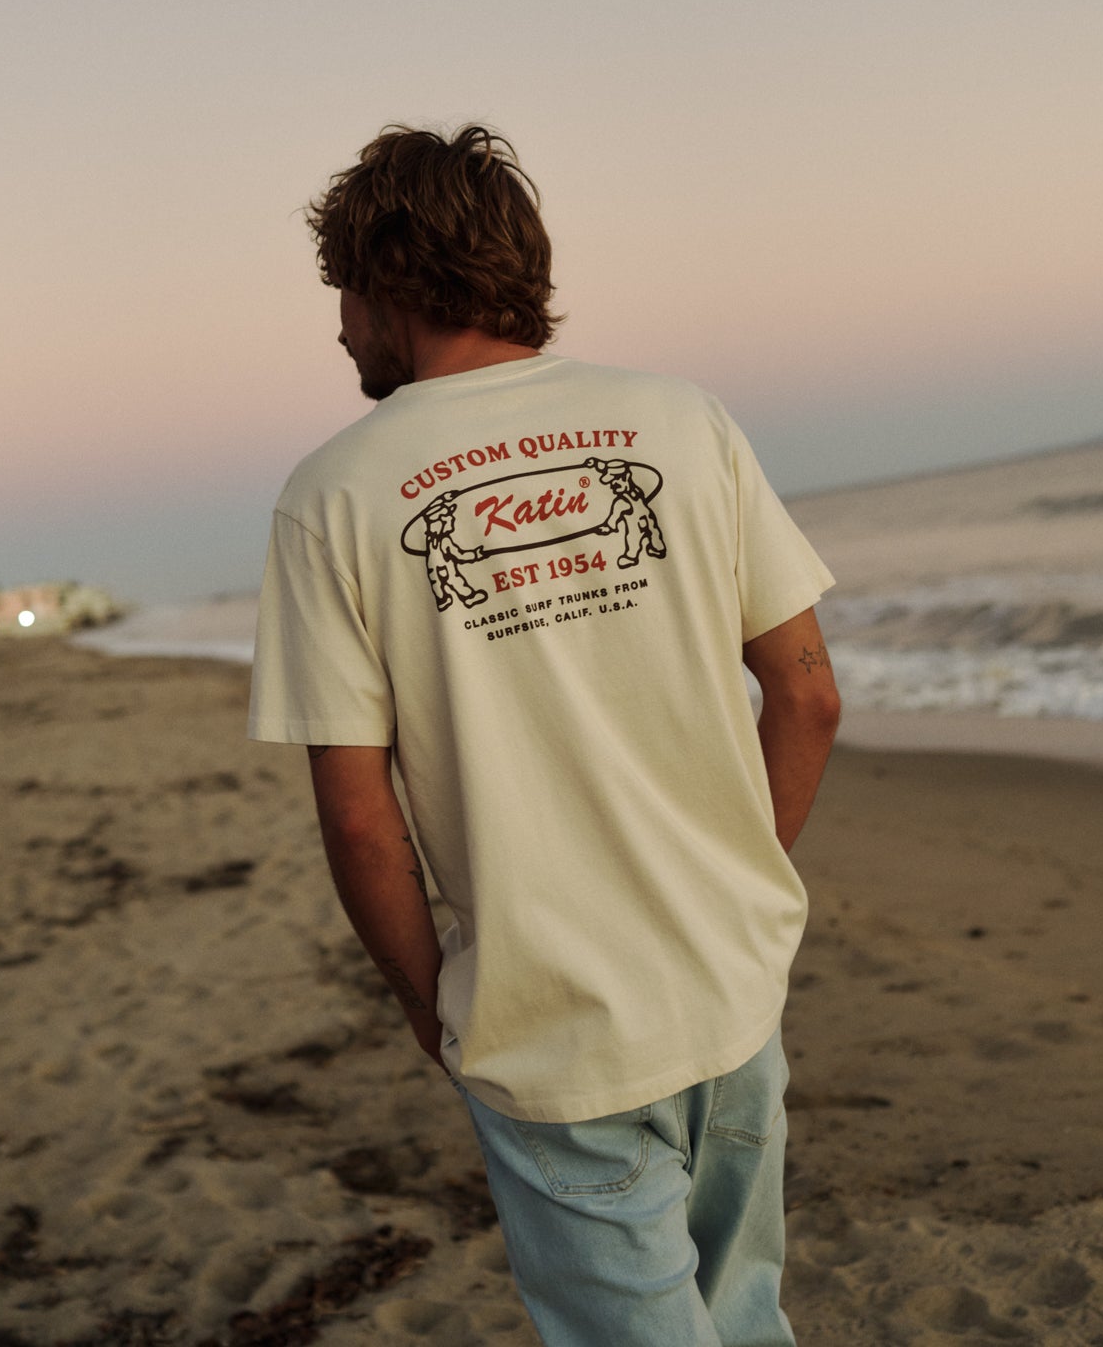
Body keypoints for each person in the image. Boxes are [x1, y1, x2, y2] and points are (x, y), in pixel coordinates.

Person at [249, 123, 841, 1346]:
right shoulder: (683, 421)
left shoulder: (334, 495)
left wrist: (431, 1003)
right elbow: (809, 695)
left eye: (343, 296)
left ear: (387, 283)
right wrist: (744, 876)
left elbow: (359, 817)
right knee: (742, 1309)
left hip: (547, 1026)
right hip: (731, 985)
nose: (341, 330)